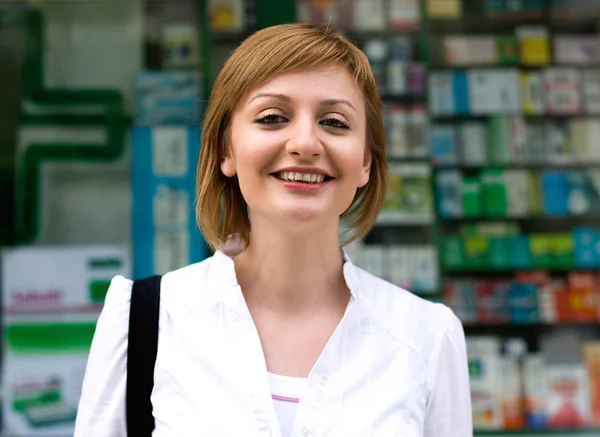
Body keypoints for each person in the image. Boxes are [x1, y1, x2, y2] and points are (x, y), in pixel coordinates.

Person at [74, 23, 472, 437]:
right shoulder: (143, 320)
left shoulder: (426, 336)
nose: (305, 143)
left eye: (335, 122)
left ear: (366, 163)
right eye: (272, 117)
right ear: (226, 150)